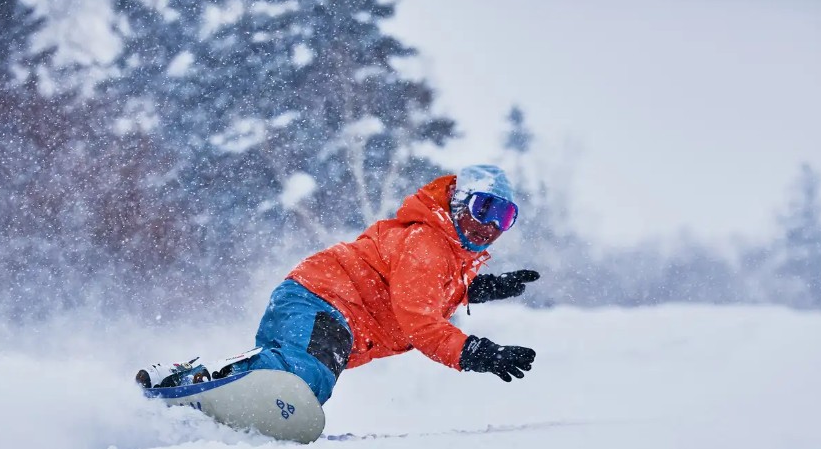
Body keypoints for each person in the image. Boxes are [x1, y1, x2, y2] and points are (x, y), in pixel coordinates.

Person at [137, 164, 539, 405]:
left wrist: (481, 288)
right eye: (482, 207)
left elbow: (423, 290)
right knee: (302, 380)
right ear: (456, 203)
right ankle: (196, 383)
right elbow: (420, 321)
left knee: (301, 385)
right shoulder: (429, 244)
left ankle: (197, 386)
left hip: (321, 305)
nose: (488, 225)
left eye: (503, 217)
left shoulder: (446, 255)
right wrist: (477, 353)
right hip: (325, 301)